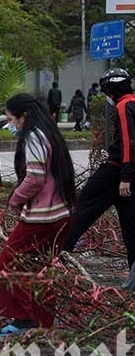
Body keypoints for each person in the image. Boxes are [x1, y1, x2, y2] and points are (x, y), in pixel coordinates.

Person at [0, 94, 75, 335]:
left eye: (11, 119)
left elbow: (35, 178)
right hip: (61, 214)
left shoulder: (33, 137)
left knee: (9, 261)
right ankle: (42, 319)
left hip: (42, 217)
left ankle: (24, 318)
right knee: (41, 266)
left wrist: (14, 199)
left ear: (23, 116)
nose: (11, 125)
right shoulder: (48, 132)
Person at [63, 68, 135, 289]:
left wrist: (125, 175)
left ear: (112, 89)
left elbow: (128, 142)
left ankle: (58, 256)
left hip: (116, 172)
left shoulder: (124, 106)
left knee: (82, 209)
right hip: (130, 175)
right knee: (131, 226)